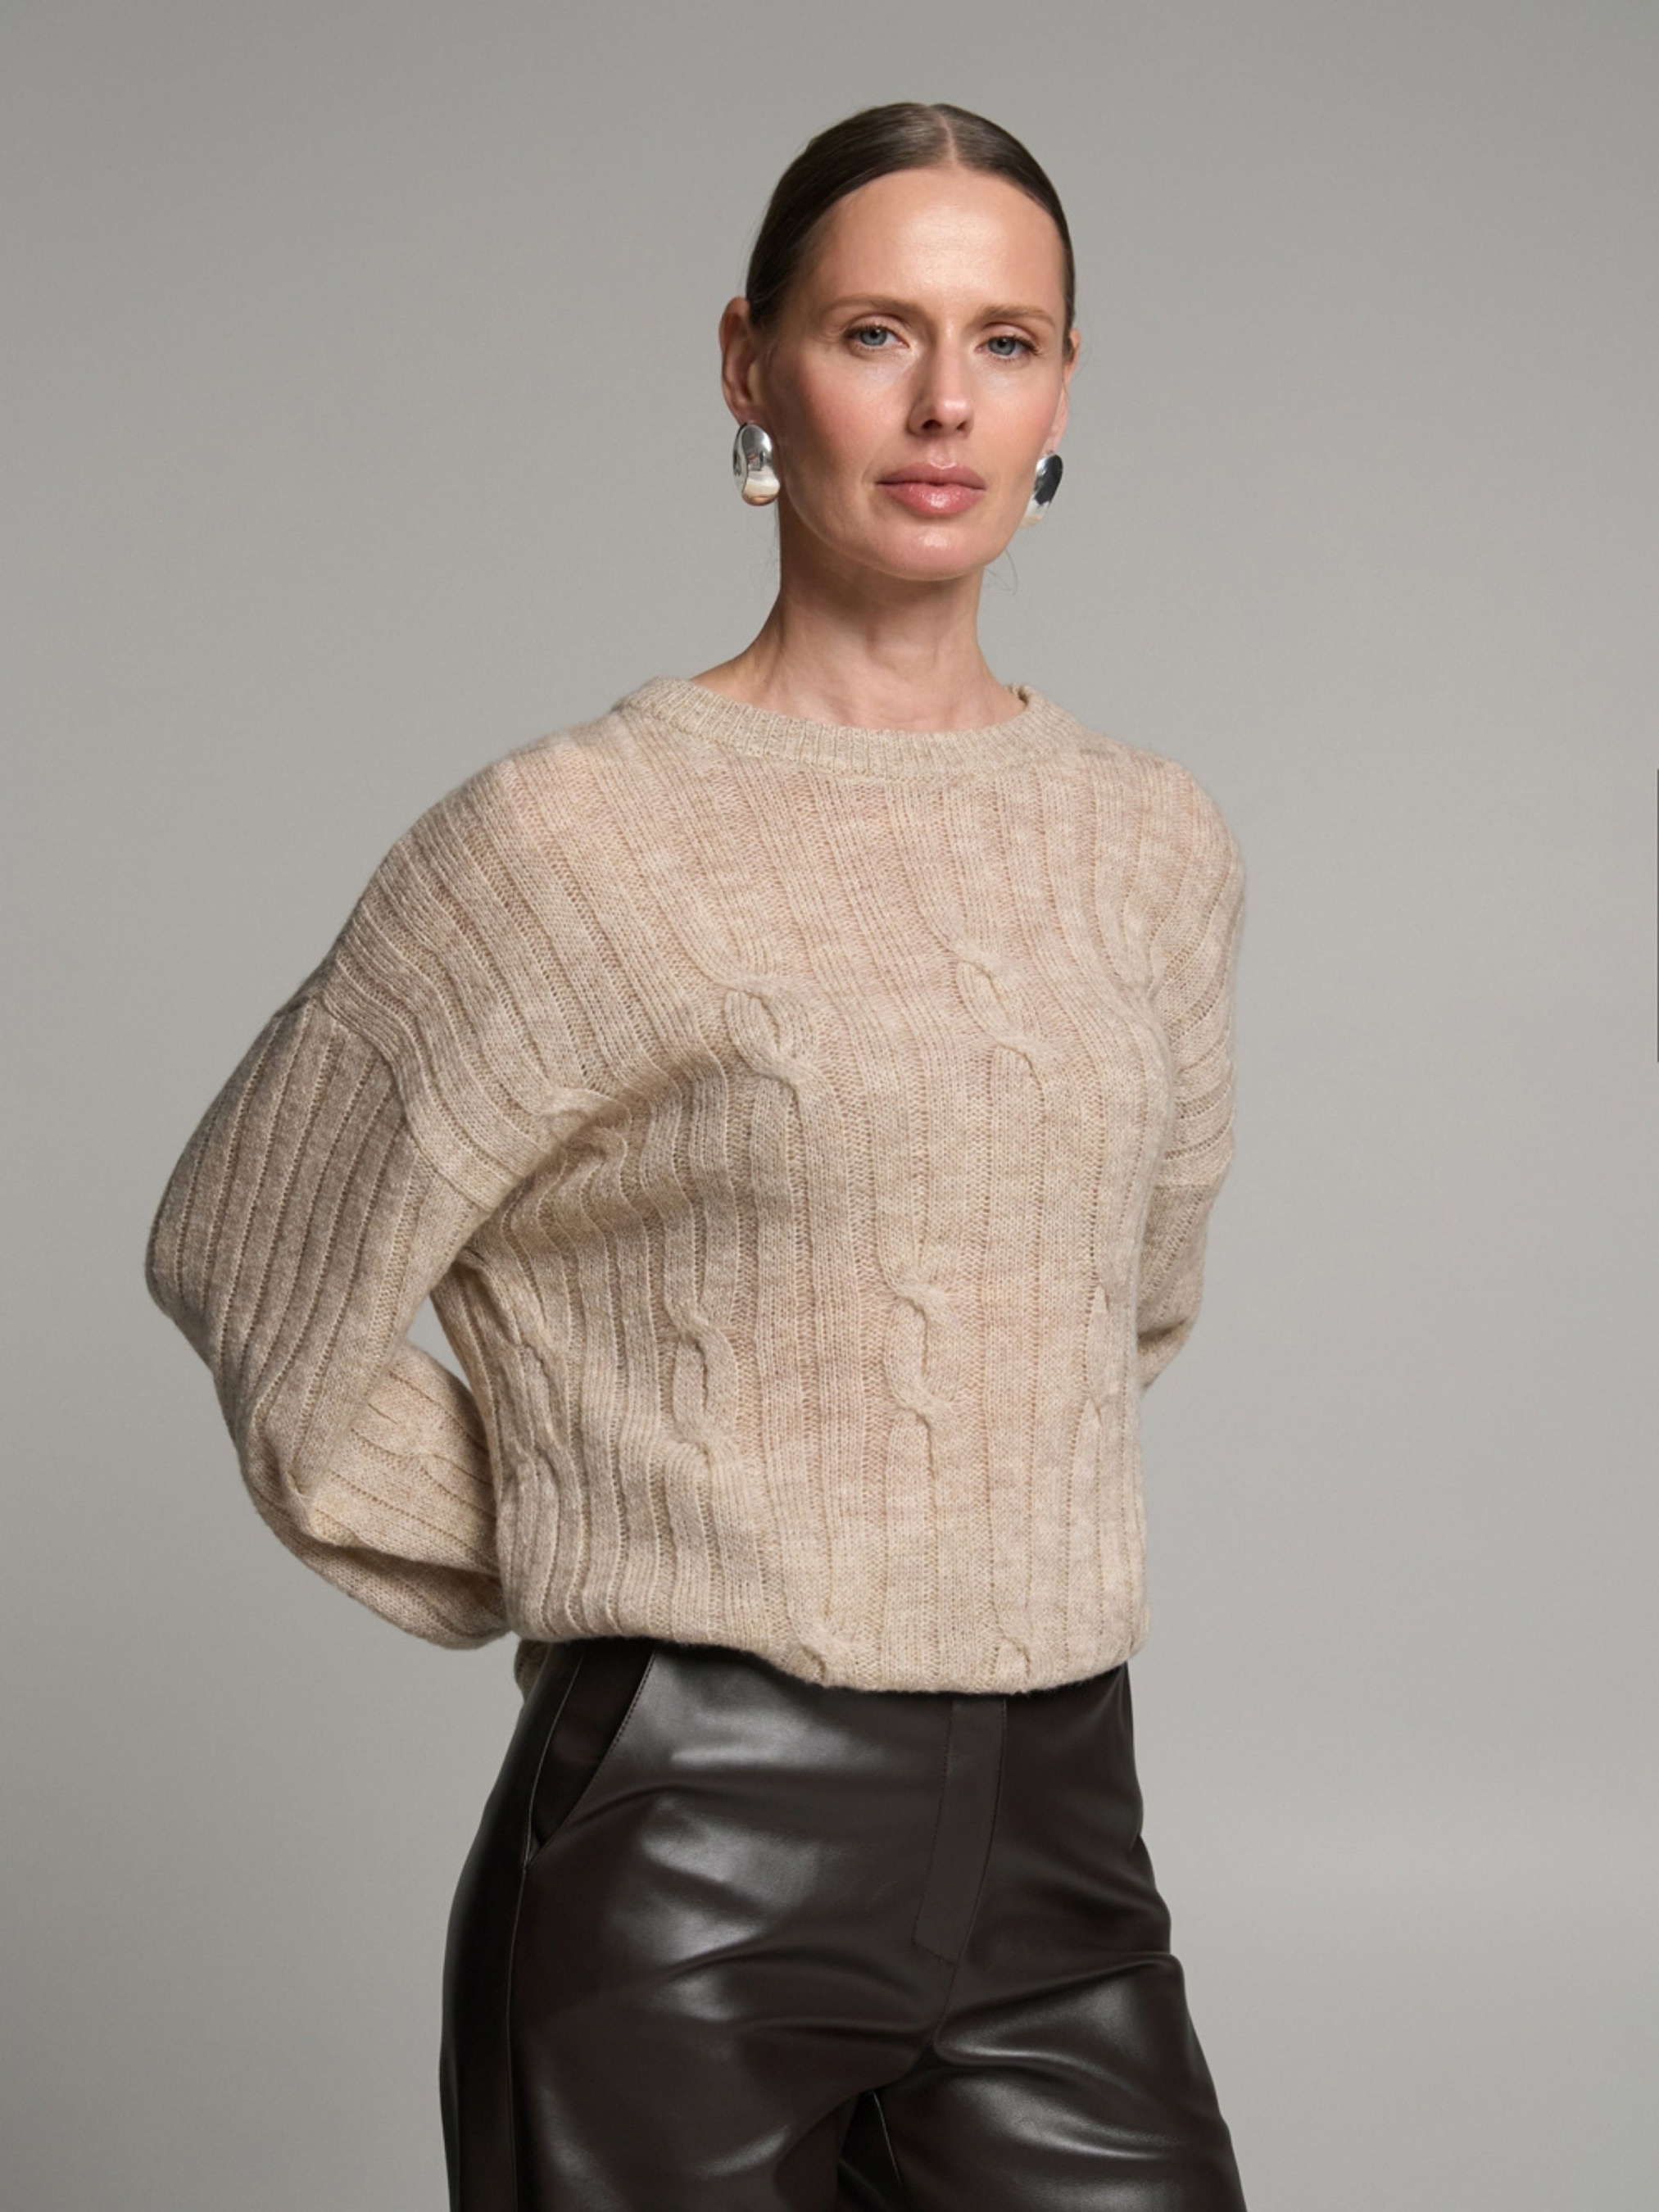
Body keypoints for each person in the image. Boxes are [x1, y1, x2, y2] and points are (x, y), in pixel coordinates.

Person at [144, 99, 1249, 2212]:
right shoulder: (570, 843)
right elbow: (245, 1249)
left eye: (1006, 342)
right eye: (874, 333)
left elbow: (1124, 1310)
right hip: (686, 1867)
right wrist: (597, 1535)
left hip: (1067, 1855)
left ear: (1063, 390)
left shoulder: (1153, 844)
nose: (944, 404)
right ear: (752, 362)